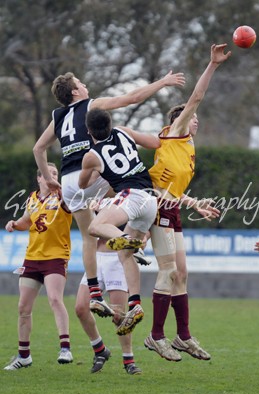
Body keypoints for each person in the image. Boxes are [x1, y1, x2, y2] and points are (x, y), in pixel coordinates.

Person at [33, 71, 185, 318]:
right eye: (80, 83)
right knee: (130, 181)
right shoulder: (90, 106)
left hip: (69, 180)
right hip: (90, 170)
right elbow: (131, 98)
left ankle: (94, 291)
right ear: (74, 91)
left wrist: (49, 180)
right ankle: (137, 239)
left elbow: (38, 148)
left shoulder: (57, 116)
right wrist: (163, 82)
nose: (84, 85)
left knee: (87, 237)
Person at [144, 44, 231, 361]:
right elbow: (196, 98)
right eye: (190, 116)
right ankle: (156, 336)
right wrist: (212, 66)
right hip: (157, 209)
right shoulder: (176, 131)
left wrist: (194, 204)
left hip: (173, 208)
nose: (195, 119)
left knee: (181, 272)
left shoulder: (186, 149)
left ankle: (183, 336)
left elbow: (173, 189)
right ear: (179, 119)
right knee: (167, 272)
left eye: (194, 118)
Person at [78, 108, 161, 335]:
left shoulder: (91, 155)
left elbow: (82, 184)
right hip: (151, 201)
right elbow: (155, 142)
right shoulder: (123, 132)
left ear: (88, 130)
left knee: (95, 227)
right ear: (110, 122)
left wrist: (92, 169)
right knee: (124, 256)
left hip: (131, 196)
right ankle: (135, 304)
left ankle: (128, 240)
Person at [4, 163, 74, 370]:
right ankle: (23, 356)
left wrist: (61, 188)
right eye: (48, 173)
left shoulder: (62, 196)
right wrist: (15, 224)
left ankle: (65, 348)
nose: (52, 176)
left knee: (54, 298)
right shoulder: (32, 199)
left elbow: (72, 207)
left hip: (56, 256)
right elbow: (27, 221)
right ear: (39, 178)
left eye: (55, 173)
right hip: (32, 258)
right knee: (23, 308)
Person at [76, 236, 142, 375]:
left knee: (119, 315)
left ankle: (129, 360)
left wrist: (142, 241)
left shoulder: (126, 213)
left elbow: (145, 227)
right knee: (81, 308)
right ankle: (100, 350)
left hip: (117, 258)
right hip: (95, 258)